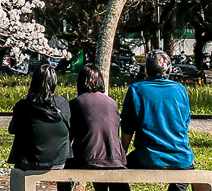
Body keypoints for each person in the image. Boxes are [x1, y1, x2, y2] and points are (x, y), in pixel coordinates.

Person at [120, 50, 196, 191]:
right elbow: (185, 123)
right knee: (185, 175)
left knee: (115, 177)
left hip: (146, 157)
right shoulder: (181, 90)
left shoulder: (136, 89)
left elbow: (127, 127)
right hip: (181, 158)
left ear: (146, 70)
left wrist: (122, 154)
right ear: (170, 70)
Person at [59, 64, 127, 191]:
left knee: (63, 169)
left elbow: (68, 135)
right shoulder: (112, 102)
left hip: (88, 158)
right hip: (115, 158)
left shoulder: (75, 103)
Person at [8, 64, 72, 177]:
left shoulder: (23, 106)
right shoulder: (62, 104)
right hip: (59, 161)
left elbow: (12, 129)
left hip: (29, 162)